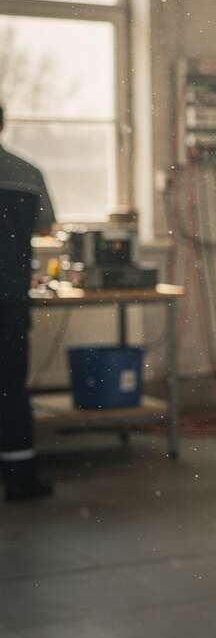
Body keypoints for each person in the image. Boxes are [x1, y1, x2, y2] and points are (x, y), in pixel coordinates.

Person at [0, 104, 57, 501]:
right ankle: (20, 477)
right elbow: (46, 227)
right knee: (11, 386)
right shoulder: (28, 173)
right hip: (10, 299)